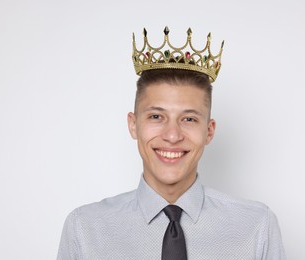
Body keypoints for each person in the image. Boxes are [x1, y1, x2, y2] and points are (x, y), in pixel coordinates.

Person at [57, 27, 286, 260]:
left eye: (189, 119)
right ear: (133, 125)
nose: (173, 135)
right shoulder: (85, 229)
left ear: (209, 131)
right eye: (156, 116)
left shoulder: (257, 227)